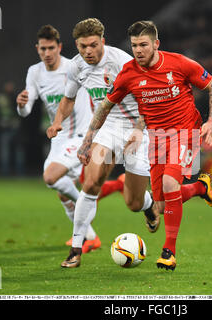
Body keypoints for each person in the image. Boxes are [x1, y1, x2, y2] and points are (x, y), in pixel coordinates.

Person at [76, 20, 212, 271]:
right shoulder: (129, 74)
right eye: (134, 46)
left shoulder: (180, 63)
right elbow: (105, 106)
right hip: (157, 138)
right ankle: (199, 188)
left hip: (185, 131)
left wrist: (210, 121)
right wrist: (88, 140)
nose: (138, 50)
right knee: (162, 205)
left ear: (156, 44)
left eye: (143, 44)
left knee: (168, 184)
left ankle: (169, 253)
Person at [47, 18, 161, 269]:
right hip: (109, 128)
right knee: (90, 181)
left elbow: (150, 101)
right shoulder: (76, 67)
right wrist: (57, 122)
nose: (88, 51)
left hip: (138, 129)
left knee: (132, 202)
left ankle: (148, 204)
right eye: (82, 46)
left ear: (103, 42)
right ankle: (76, 249)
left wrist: (140, 130)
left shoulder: (122, 62)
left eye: (93, 45)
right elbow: (68, 99)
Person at [17, 25, 111, 252]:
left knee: (50, 176)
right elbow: (27, 109)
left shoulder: (74, 66)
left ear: (59, 47)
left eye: (51, 48)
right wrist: (21, 105)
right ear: (37, 49)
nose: (46, 53)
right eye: (42, 49)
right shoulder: (35, 72)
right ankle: (91, 236)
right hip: (58, 139)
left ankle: (86, 203)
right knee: (60, 189)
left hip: (81, 135)